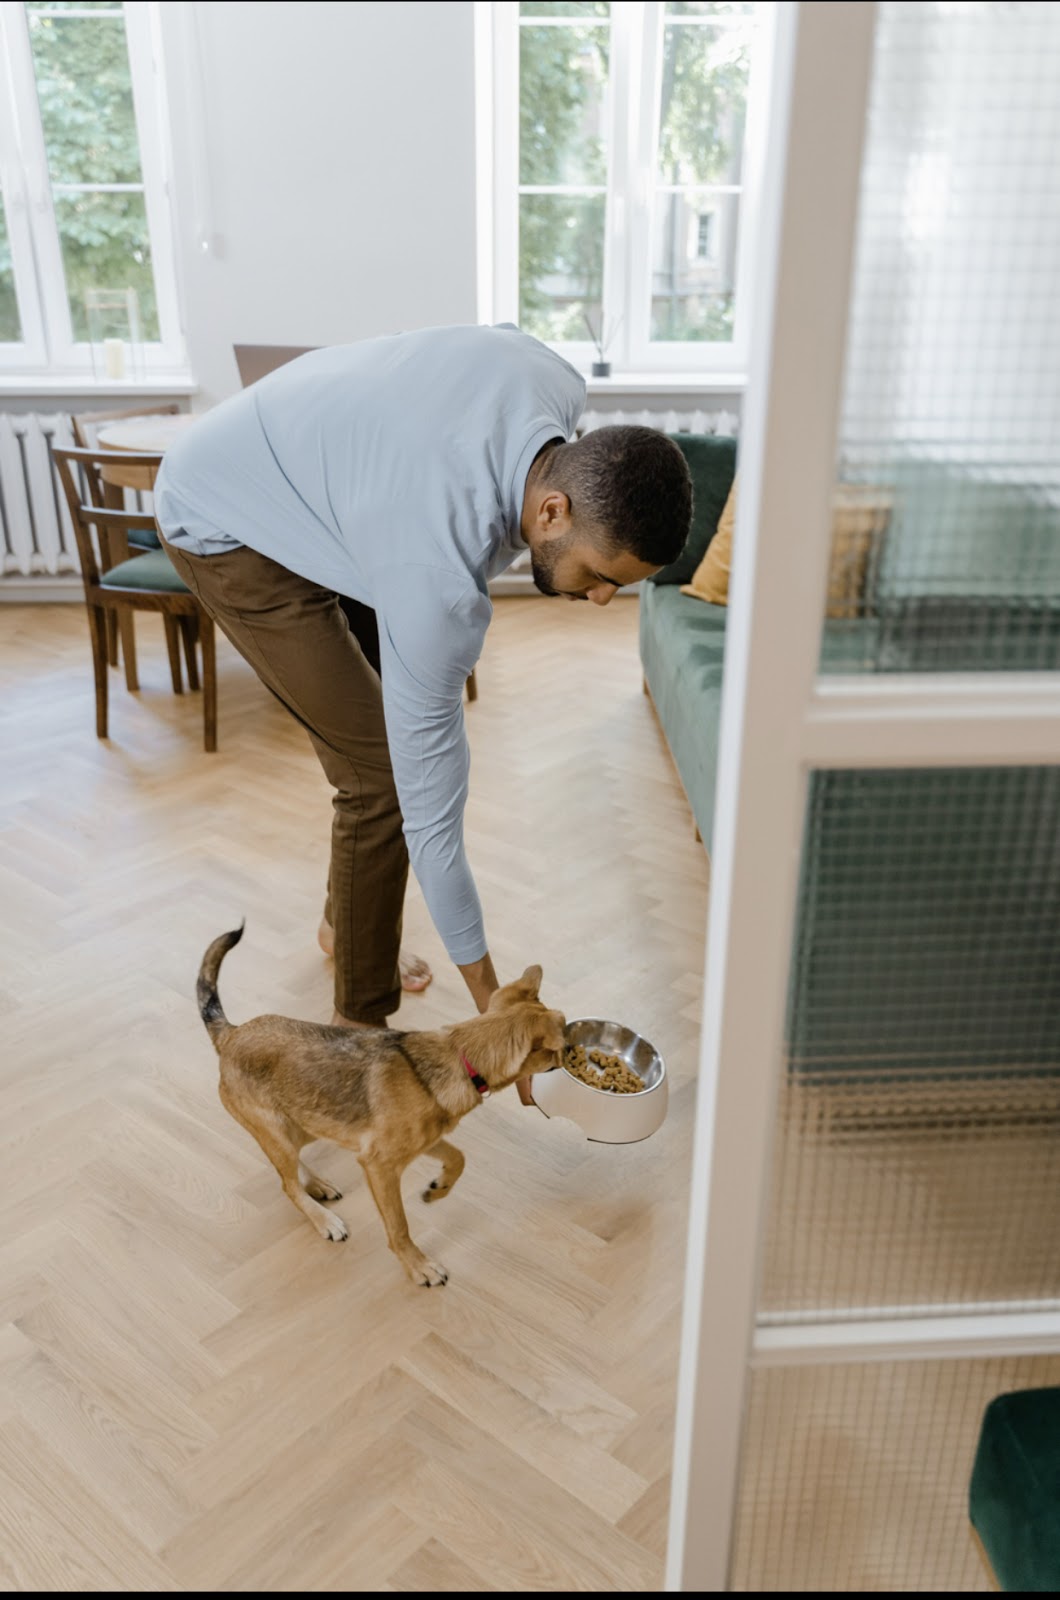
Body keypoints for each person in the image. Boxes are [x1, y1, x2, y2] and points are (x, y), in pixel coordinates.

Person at [154, 321, 692, 1104]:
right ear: (550, 512)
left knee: (384, 758)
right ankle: (353, 1032)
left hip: (340, 497)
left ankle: (345, 931)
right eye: (602, 574)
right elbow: (431, 818)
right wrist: (496, 1010)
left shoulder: (552, 379)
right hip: (223, 516)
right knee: (379, 780)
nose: (604, 598)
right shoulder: (432, 583)